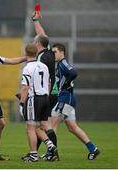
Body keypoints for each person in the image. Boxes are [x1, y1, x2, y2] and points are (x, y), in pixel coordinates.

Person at [50, 43, 100, 160]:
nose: (53, 54)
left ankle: (52, 153)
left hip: (65, 98)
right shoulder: (59, 65)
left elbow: (73, 72)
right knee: (72, 127)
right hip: (68, 99)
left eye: (55, 52)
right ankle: (93, 149)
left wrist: (67, 84)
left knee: (52, 125)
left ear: (62, 53)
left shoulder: (63, 63)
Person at [19, 43, 58, 162]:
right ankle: (50, 145)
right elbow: (49, 82)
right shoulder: (43, 66)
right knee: (39, 127)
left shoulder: (27, 68)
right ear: (36, 53)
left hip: (34, 99)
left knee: (30, 128)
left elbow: (25, 88)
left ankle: (33, 155)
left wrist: (21, 104)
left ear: (26, 54)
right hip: (45, 98)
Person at [32, 10, 58, 154]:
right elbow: (42, 33)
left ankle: (47, 152)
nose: (33, 42)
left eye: (34, 41)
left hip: (46, 94)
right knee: (42, 125)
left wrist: (43, 95)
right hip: (52, 93)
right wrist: (35, 20)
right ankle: (45, 152)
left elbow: (46, 79)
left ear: (37, 43)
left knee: (39, 125)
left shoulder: (42, 59)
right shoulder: (47, 50)